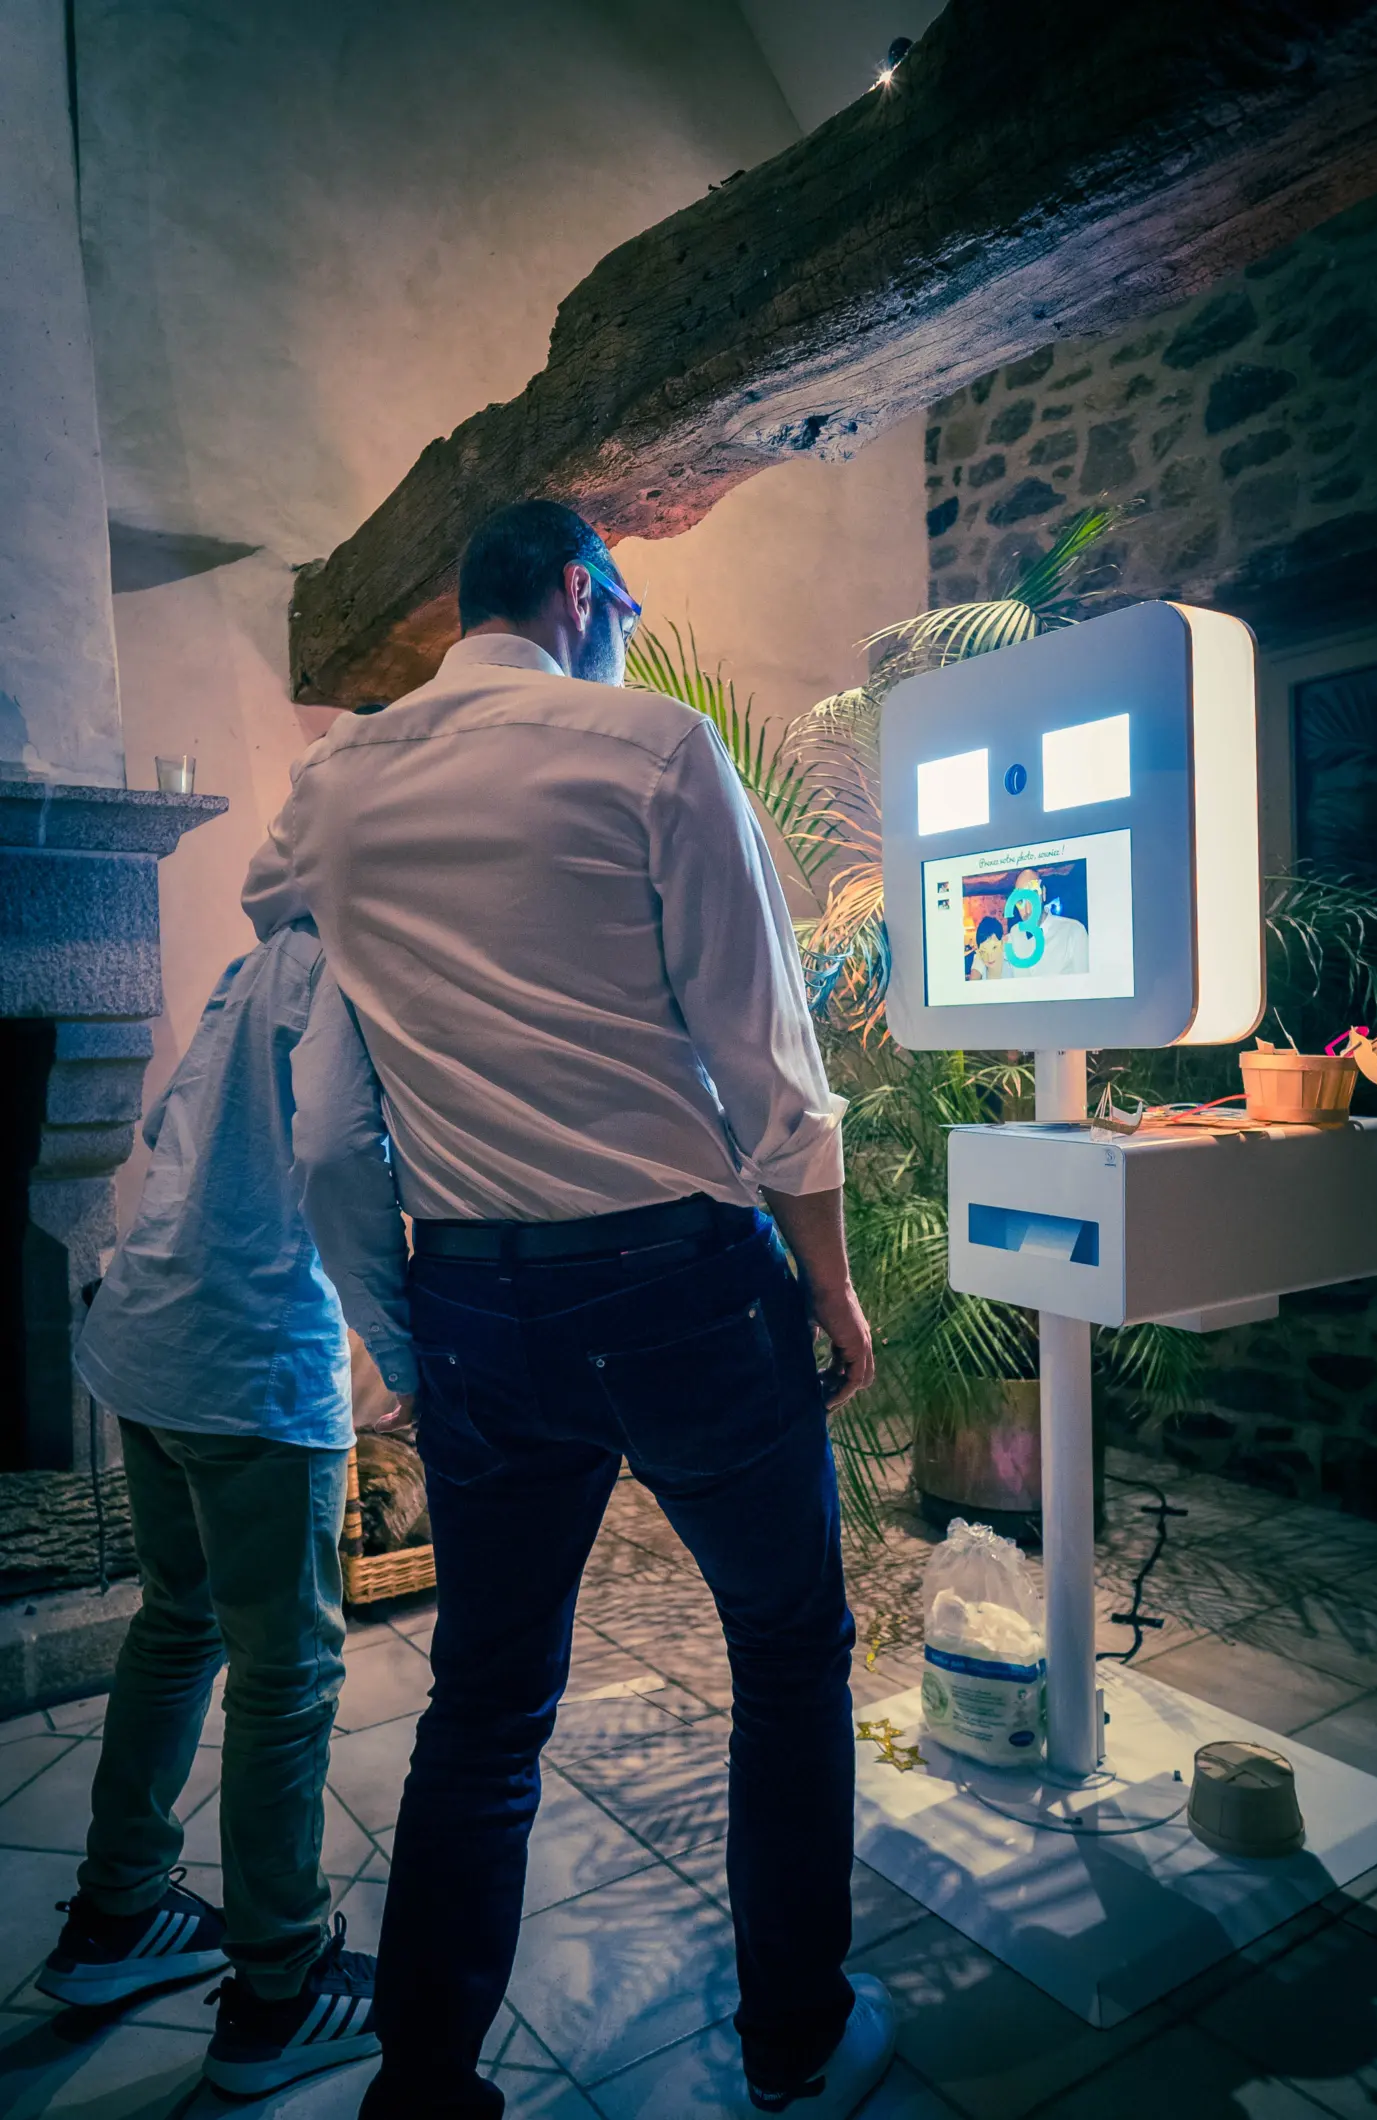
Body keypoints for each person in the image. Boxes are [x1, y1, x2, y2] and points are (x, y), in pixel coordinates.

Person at [242, 499, 894, 2120]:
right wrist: (829, 1283)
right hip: (681, 1287)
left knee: (485, 1697)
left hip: (473, 1297)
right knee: (787, 1649)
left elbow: (307, 1047)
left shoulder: (337, 785)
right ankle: (795, 2042)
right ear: (579, 591)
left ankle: (423, 2086)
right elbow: (765, 1062)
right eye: (628, 605)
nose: (630, 633)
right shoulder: (653, 749)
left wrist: (403, 1326)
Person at [40, 917, 415, 2100]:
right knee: (286, 1677)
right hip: (249, 1362)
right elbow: (343, 1157)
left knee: (178, 1621)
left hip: (150, 1334)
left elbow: (163, 1124)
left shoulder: (257, 963)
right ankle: (278, 1986)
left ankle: (117, 1912)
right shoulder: (361, 957)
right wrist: (403, 1347)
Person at [1004, 865, 1090, 976]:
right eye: (1020, 901)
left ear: (1043, 893)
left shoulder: (1074, 931)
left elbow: (1086, 984)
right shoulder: (1014, 934)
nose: (1028, 910)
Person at [968, 913, 1008, 980]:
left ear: (1003, 943)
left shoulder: (1013, 967)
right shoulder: (979, 963)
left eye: (994, 948)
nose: (990, 957)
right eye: (984, 951)